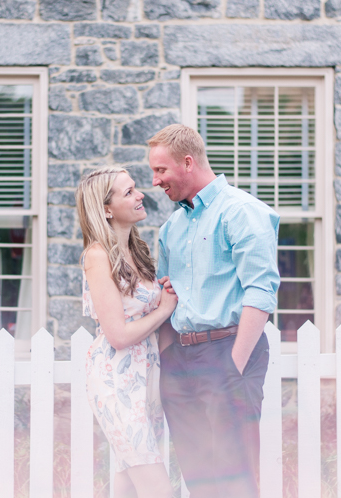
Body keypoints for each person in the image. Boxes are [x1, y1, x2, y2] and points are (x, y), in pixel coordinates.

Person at [149, 124, 280, 498]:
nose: (155, 181)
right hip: (181, 359)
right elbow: (165, 294)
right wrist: (167, 357)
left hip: (228, 352)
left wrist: (234, 365)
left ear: (187, 162)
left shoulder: (242, 212)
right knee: (198, 476)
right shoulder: (172, 227)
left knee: (235, 476)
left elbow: (261, 290)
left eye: (161, 170)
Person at [76, 167, 177, 498]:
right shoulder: (97, 255)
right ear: (106, 209)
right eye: (129, 192)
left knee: (128, 485)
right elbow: (117, 335)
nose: (140, 195)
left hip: (147, 377)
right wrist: (163, 310)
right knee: (157, 488)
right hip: (116, 381)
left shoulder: (139, 252)